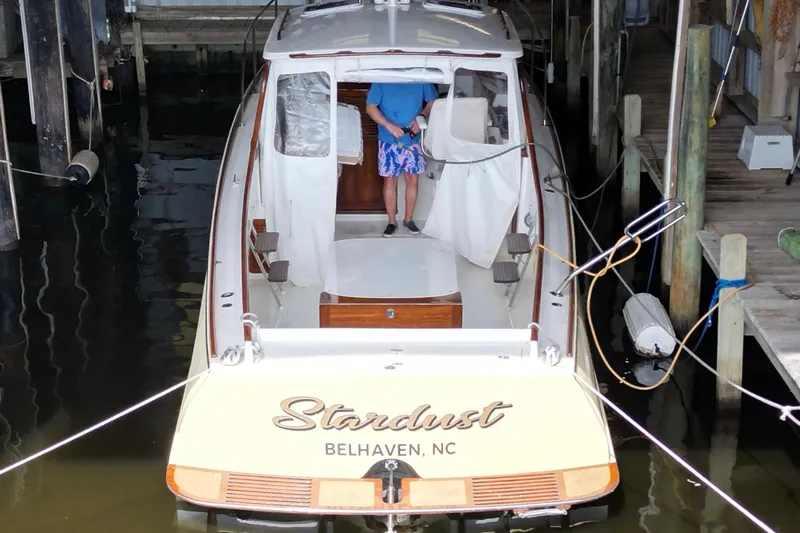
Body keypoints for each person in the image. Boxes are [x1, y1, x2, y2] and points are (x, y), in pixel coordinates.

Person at [365, 82, 438, 237]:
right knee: (390, 180)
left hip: (414, 139)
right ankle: (391, 222)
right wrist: (389, 126)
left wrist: (421, 117)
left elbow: (433, 101)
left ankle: (408, 220)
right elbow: (370, 108)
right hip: (388, 140)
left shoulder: (421, 76)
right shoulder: (381, 80)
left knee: (412, 179)